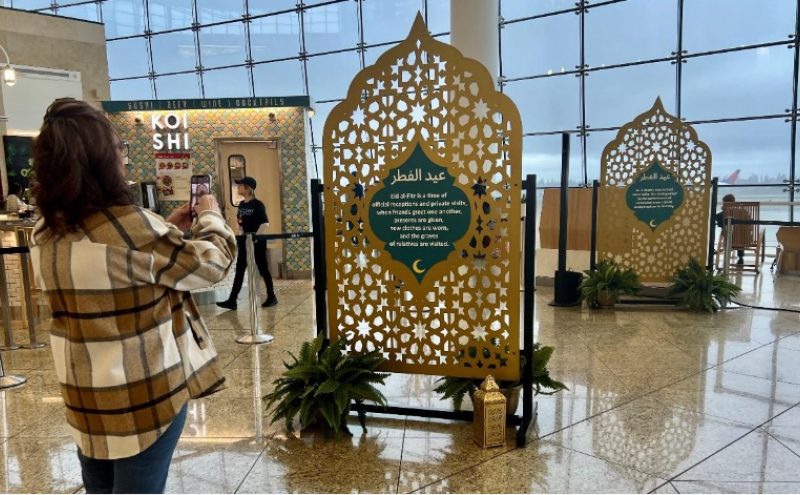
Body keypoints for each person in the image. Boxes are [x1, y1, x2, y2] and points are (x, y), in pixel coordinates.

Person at [29, 99, 236, 495]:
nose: (123, 158)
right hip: (144, 396)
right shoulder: (132, 229)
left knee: (99, 488)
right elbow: (214, 264)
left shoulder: (45, 231)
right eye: (119, 148)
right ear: (102, 159)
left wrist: (161, 227)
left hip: (84, 392)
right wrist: (209, 214)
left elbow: (116, 258)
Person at [216, 176, 278, 310]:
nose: (238, 187)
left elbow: (265, 223)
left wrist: (256, 237)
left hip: (257, 242)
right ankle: (232, 300)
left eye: (240, 185)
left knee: (263, 269)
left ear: (248, 188)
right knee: (239, 270)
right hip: (245, 242)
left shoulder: (258, 204)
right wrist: (240, 234)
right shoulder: (242, 205)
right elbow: (241, 223)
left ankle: (272, 296)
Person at [715, 193, 745, 265]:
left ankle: (727, 255)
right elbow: (750, 223)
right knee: (740, 233)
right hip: (743, 239)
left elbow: (717, 220)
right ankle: (740, 257)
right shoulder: (742, 212)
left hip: (729, 238)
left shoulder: (723, 214)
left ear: (725, 203)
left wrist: (724, 209)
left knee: (729, 232)